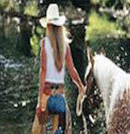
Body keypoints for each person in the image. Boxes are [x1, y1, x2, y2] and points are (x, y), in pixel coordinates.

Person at [31, 3, 85, 134]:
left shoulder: (44, 43)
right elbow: (72, 70)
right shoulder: (65, 46)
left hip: (47, 95)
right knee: (61, 130)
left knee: (37, 131)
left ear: (48, 25)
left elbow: (43, 71)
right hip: (60, 96)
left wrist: (40, 100)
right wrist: (81, 86)